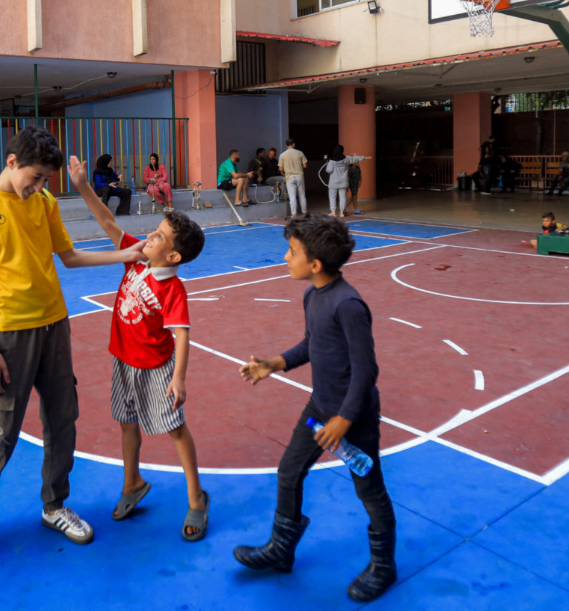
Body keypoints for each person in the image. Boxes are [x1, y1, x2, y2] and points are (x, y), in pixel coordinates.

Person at [0, 126, 149, 561]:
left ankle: (55, 505)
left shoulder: (44, 203)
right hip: (10, 335)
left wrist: (126, 255)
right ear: (11, 163)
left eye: (46, 180)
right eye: (36, 177)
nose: (40, 187)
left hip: (55, 326)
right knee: (0, 430)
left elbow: (71, 257)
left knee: (63, 419)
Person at [234, 214, 397, 602]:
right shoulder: (313, 295)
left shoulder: (349, 305)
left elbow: (366, 370)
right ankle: (281, 549)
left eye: (292, 252)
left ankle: (384, 566)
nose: (285, 257)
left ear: (316, 264)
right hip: (318, 407)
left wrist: (345, 419)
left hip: (352, 420)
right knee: (289, 471)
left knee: (369, 491)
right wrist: (276, 362)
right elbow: (312, 344)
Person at [72, 156, 209, 540]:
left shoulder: (172, 289)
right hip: (123, 361)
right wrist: (83, 185)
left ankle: (197, 498)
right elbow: (108, 222)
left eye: (160, 237)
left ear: (174, 257)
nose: (150, 237)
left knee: (175, 429)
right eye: (155, 230)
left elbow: (182, 335)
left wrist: (178, 378)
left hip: (157, 369)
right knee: (126, 423)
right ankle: (132, 482)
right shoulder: (135, 256)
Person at [323, 145, 365, 218]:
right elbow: (354, 159)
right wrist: (364, 157)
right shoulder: (346, 159)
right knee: (343, 197)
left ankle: (333, 212)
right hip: (343, 182)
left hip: (333, 182)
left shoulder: (332, 160)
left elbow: (328, 170)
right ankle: (342, 212)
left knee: (332, 197)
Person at [278, 139, 308, 216]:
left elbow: (281, 169)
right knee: (302, 196)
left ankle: (294, 214)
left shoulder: (282, 155)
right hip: (300, 176)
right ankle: (304, 212)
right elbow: (305, 165)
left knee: (292, 197)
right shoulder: (300, 153)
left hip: (289, 177)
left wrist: (284, 173)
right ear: (293, 144)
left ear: (286, 145)